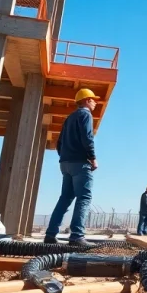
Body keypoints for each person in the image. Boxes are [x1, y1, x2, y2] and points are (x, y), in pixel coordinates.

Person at [45, 88, 100, 245]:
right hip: (80, 163)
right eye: (93, 99)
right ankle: (77, 236)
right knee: (84, 197)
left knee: (65, 198)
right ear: (87, 100)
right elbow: (88, 137)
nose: (95, 102)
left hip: (65, 164)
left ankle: (50, 234)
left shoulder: (69, 118)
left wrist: (65, 158)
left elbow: (59, 142)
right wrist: (93, 158)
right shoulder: (85, 114)